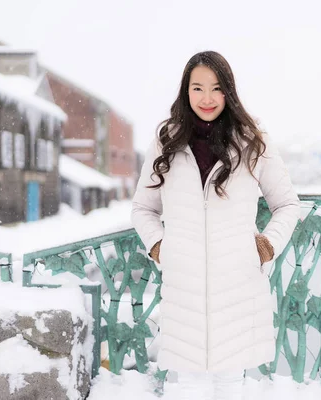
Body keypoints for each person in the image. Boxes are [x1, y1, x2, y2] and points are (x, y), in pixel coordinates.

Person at [131, 51, 300, 400]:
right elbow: (142, 209)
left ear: (229, 92)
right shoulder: (167, 142)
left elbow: (287, 205)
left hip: (237, 286)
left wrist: (267, 245)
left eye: (216, 88)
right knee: (189, 387)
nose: (206, 98)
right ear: (185, 91)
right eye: (197, 88)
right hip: (184, 290)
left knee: (229, 386)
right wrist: (161, 248)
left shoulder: (253, 142)